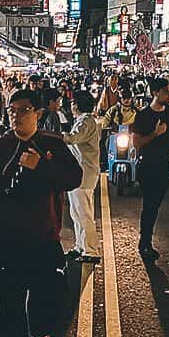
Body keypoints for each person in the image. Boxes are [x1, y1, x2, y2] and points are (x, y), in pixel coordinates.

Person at [0, 89, 82, 337]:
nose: (16, 115)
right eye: (12, 110)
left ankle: (41, 331)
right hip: (8, 242)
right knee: (10, 305)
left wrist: (42, 166)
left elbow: (74, 178)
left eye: (23, 110)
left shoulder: (53, 146)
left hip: (45, 239)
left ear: (37, 113)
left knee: (49, 295)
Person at [131, 77, 169, 261]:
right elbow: (136, 143)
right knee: (150, 204)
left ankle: (145, 240)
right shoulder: (143, 115)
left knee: (155, 205)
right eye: (166, 91)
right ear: (155, 93)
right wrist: (155, 134)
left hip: (164, 164)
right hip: (147, 164)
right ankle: (145, 242)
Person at [63, 91, 102, 262]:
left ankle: (91, 250)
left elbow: (72, 138)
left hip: (84, 173)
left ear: (77, 105)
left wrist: (56, 136)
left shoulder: (86, 121)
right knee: (76, 212)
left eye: (73, 102)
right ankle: (80, 245)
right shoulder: (83, 121)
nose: (71, 106)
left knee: (84, 212)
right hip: (78, 172)